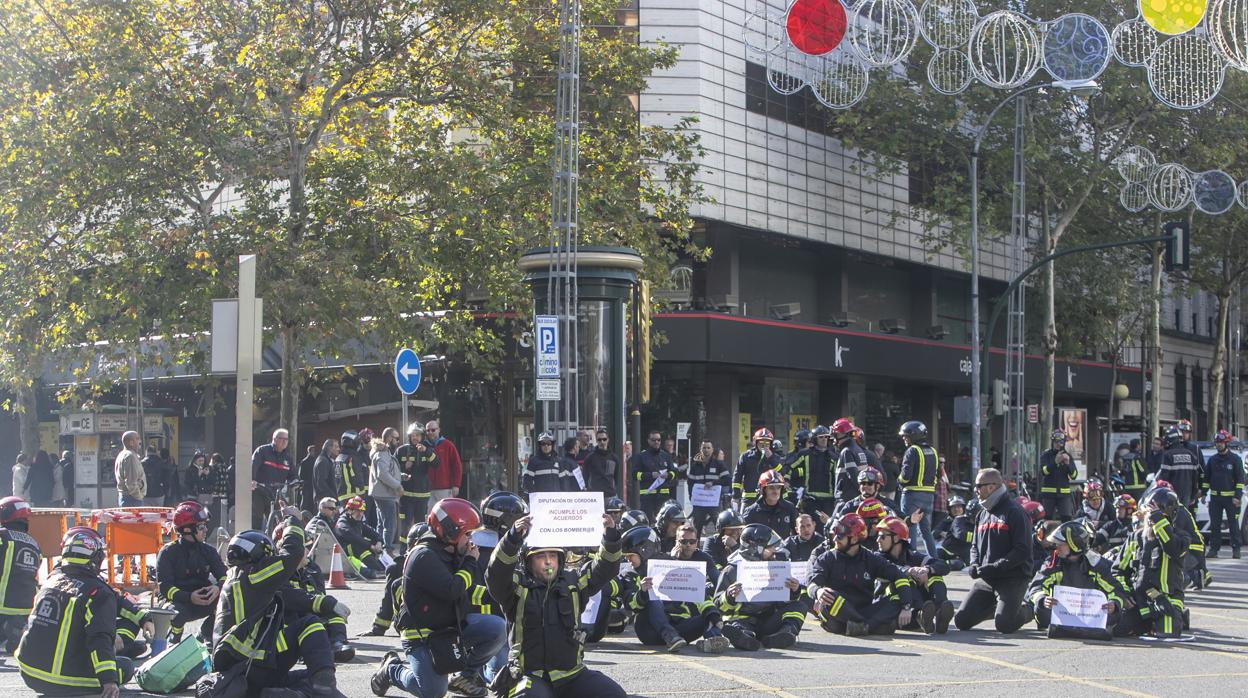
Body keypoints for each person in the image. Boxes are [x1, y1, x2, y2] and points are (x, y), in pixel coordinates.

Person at [484, 510, 626, 697]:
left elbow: (606, 568)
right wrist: (512, 539)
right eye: (540, 556)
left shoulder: (574, 582)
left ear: (560, 559)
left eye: (553, 555)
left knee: (613, 694)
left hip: (572, 675)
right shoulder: (516, 586)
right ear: (527, 561)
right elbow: (496, 574)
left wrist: (611, 535)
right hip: (530, 676)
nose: (548, 562)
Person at [214, 512, 338, 696]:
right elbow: (292, 554)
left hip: (240, 673)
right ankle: (324, 687)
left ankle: (286, 695)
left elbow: (288, 595)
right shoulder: (255, 575)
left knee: (308, 677)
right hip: (254, 662)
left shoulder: (236, 579)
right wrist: (292, 521)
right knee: (310, 625)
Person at [16, 527, 132, 696]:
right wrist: (109, 680)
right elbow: (99, 638)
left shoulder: (50, 581)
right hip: (65, 681)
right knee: (126, 666)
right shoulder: (98, 592)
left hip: (29, 673)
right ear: (96, 559)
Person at [625, 524, 728, 654]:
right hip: (651, 631)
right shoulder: (632, 572)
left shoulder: (700, 559)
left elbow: (703, 594)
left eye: (692, 541)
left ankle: (714, 639)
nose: (688, 545)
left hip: (681, 632)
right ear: (676, 542)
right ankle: (670, 636)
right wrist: (643, 592)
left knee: (708, 613)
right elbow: (630, 605)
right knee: (652, 596)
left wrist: (714, 615)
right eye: (683, 541)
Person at [954, 468, 1034, 634]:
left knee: (1004, 625)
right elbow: (975, 546)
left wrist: (998, 566)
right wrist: (974, 564)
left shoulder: (1015, 512)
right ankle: (1001, 608)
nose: (975, 490)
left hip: (1013, 577)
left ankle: (1029, 609)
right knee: (961, 621)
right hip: (988, 578)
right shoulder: (982, 514)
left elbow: (1023, 550)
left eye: (978, 485)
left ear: (991, 487)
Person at [807, 513, 914, 636]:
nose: (835, 539)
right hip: (837, 615)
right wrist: (817, 592)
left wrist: (906, 607)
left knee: (896, 598)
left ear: (854, 539)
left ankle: (861, 627)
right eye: (835, 535)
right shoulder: (826, 558)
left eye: (840, 536)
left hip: (864, 610)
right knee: (828, 595)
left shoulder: (870, 558)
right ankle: (868, 626)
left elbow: (899, 576)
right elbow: (812, 583)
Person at [1027, 520, 1129, 640]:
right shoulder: (1053, 562)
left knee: (1116, 617)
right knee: (1041, 611)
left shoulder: (1097, 564)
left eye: (1061, 544)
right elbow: (1036, 586)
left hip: (1091, 618)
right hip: (1060, 617)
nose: (1056, 547)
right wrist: (1042, 600)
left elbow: (1117, 590)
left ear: (1074, 545)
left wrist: (1114, 604)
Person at [713, 524, 806, 650]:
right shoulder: (732, 570)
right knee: (739, 626)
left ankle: (783, 634)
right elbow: (717, 605)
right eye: (770, 548)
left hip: (768, 621)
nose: (774, 551)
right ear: (755, 549)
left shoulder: (776, 568)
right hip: (744, 619)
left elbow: (784, 601)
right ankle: (743, 636)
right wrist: (729, 596)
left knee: (800, 606)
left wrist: (794, 590)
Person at [1121, 488, 1189, 640]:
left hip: (1165, 600)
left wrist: (1158, 521)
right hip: (1139, 601)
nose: (1149, 520)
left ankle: (1179, 615)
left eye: (1155, 515)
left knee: (1167, 634)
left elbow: (1172, 549)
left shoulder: (1182, 538)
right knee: (1117, 629)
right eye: (1148, 515)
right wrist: (1124, 596)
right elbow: (1117, 571)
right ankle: (1148, 622)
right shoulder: (1136, 537)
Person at [157, 500, 226, 643]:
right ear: (187, 530)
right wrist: (189, 597)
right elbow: (165, 588)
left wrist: (217, 588)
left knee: (230, 602)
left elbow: (226, 576)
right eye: (201, 526)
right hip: (177, 602)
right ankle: (173, 642)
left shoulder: (208, 551)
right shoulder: (168, 553)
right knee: (176, 613)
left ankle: (205, 634)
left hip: (203, 600)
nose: (206, 530)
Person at [875, 515, 955, 634]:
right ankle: (919, 616)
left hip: (912, 604)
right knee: (903, 579)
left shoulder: (911, 555)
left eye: (882, 536)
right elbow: (890, 570)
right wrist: (910, 571)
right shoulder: (877, 557)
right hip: (890, 605)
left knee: (935, 577)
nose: (878, 540)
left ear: (896, 538)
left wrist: (927, 570)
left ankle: (940, 612)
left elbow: (942, 565)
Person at [0, 497, 40, 652]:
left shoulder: (3, 536)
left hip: (2, 604)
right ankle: (15, 631)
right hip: (25, 607)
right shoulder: (34, 544)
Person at [897, 420, 940, 556]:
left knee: (910, 529)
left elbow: (906, 476)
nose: (904, 438)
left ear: (914, 436)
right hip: (928, 496)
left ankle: (911, 560)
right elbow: (937, 474)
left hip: (912, 495)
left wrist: (898, 481)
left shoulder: (912, 451)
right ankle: (934, 560)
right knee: (927, 532)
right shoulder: (933, 451)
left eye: (906, 435)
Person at [1203, 429, 1243, 558]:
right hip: (1215, 498)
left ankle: (1236, 549)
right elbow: (1206, 479)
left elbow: (1240, 480)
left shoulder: (1235, 459)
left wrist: (1237, 497)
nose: (1218, 444)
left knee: (1233, 525)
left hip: (1231, 499)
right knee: (1215, 525)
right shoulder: (1213, 460)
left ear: (1227, 443)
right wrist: (1203, 493)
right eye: (1217, 442)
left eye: (1221, 442)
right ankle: (1214, 549)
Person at [394, 423, 437, 536]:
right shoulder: (401, 450)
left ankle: (418, 546)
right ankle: (404, 550)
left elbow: (437, 463)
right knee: (405, 524)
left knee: (421, 525)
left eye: (417, 435)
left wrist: (426, 451)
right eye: (413, 435)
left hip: (422, 495)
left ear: (422, 436)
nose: (415, 437)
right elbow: (392, 470)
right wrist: (404, 467)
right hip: (406, 495)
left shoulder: (428, 449)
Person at [250, 428, 296, 529]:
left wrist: (295, 481)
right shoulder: (262, 451)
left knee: (277, 522)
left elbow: (292, 475)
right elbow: (253, 466)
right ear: (274, 439)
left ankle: (275, 542)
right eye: (281, 439)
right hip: (260, 491)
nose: (284, 441)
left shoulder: (287, 458)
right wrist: (252, 480)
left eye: (286, 439)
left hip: (276, 493)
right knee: (256, 519)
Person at [336, 495, 386, 579]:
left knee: (369, 544)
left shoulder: (358, 522)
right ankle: (376, 570)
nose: (361, 514)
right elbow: (353, 537)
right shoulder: (342, 523)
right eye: (358, 511)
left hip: (356, 553)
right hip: (345, 554)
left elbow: (374, 533)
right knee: (358, 545)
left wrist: (379, 542)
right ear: (349, 510)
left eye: (362, 511)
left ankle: (380, 569)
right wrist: (370, 546)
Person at [793, 425, 838, 519]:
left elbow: (837, 479)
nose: (824, 439)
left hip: (828, 501)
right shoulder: (805, 454)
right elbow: (790, 466)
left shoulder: (834, 457)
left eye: (826, 437)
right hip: (810, 499)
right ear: (814, 439)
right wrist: (786, 480)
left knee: (827, 527)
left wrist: (837, 498)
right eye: (821, 437)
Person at [732, 428, 781, 512]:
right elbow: (737, 476)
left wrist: (771, 458)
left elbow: (781, 473)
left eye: (767, 443)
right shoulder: (746, 457)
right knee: (745, 523)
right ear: (756, 442)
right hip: (749, 499)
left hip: (768, 500)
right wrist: (735, 496)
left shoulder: (775, 457)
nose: (764, 445)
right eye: (761, 442)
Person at [371, 429, 404, 550]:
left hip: (382, 493)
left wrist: (401, 477)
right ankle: (387, 549)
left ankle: (378, 548)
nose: (398, 441)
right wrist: (398, 485)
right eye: (396, 438)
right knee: (390, 524)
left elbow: (387, 472)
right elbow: (383, 474)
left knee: (381, 524)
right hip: (385, 494)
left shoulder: (384, 452)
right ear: (389, 438)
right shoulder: (383, 453)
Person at [686, 439, 729, 534]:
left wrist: (713, 483)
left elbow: (727, 480)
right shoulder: (695, 466)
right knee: (696, 528)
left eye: (708, 448)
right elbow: (690, 483)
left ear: (712, 450)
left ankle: (722, 546)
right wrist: (691, 497)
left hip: (714, 502)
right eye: (704, 448)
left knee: (719, 526)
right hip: (699, 503)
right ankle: (695, 547)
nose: (706, 450)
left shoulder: (719, 464)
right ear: (700, 449)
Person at [633, 430, 677, 518]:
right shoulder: (641, 456)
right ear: (648, 441)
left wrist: (668, 475)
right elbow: (635, 475)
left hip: (663, 495)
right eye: (653, 440)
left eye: (658, 440)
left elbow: (674, 472)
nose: (656, 442)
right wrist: (650, 475)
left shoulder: (666, 456)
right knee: (647, 520)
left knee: (663, 521)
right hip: (647, 495)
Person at [743, 470, 798, 536]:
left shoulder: (789, 508)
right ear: (762, 490)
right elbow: (745, 538)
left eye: (778, 487)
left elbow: (797, 535)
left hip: (784, 546)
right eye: (771, 487)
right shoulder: (751, 512)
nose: (775, 491)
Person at [1158, 426, 1200, 509]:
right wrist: (1193, 495)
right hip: (1187, 495)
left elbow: (1164, 478)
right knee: (1183, 517)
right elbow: (1195, 478)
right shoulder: (1191, 455)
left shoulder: (1168, 455)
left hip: (1171, 495)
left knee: (1172, 519)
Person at [1039, 430, 1077, 522]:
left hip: (1064, 495)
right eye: (1056, 442)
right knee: (1046, 519)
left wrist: (1068, 464)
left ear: (1064, 443)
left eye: (1060, 442)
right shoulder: (1046, 455)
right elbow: (1043, 471)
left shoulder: (1067, 456)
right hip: (1048, 494)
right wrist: (1055, 462)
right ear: (1052, 442)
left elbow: (1074, 475)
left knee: (1066, 519)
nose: (1058, 444)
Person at [424, 420, 463, 507]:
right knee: (429, 516)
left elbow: (457, 466)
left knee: (446, 515)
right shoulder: (423, 446)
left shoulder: (448, 445)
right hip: (427, 490)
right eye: (428, 430)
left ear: (439, 430)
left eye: (433, 430)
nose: (430, 432)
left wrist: (456, 485)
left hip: (445, 488)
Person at [832, 419, 867, 505]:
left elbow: (853, 476)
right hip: (855, 497)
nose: (834, 437)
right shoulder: (858, 449)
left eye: (836, 434)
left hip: (847, 498)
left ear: (844, 434)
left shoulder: (847, 451)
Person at [582, 429, 619, 497]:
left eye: (604, 439)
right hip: (595, 495)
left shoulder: (614, 458)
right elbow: (585, 476)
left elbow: (617, 478)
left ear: (608, 440)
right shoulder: (590, 458)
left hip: (610, 494)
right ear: (596, 441)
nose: (602, 442)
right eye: (599, 440)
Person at [335, 430, 368, 506]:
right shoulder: (352, 458)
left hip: (341, 496)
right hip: (353, 496)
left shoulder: (339, 458)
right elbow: (357, 476)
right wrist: (362, 494)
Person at [114, 431, 146, 506]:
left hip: (127, 498)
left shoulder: (122, 454)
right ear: (131, 442)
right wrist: (139, 497)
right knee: (134, 518)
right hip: (132, 499)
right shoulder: (130, 456)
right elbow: (131, 482)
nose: (140, 441)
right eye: (137, 439)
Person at [312, 439, 340, 509]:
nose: (338, 449)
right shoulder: (323, 461)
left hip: (327, 500)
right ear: (329, 448)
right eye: (336, 447)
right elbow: (321, 483)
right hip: (325, 501)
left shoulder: (325, 460)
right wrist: (332, 496)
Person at [298, 443, 321, 512]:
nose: (314, 452)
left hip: (312, 484)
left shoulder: (315, 461)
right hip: (307, 484)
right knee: (305, 501)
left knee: (312, 501)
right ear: (309, 451)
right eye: (313, 451)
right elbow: (301, 475)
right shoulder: (304, 461)